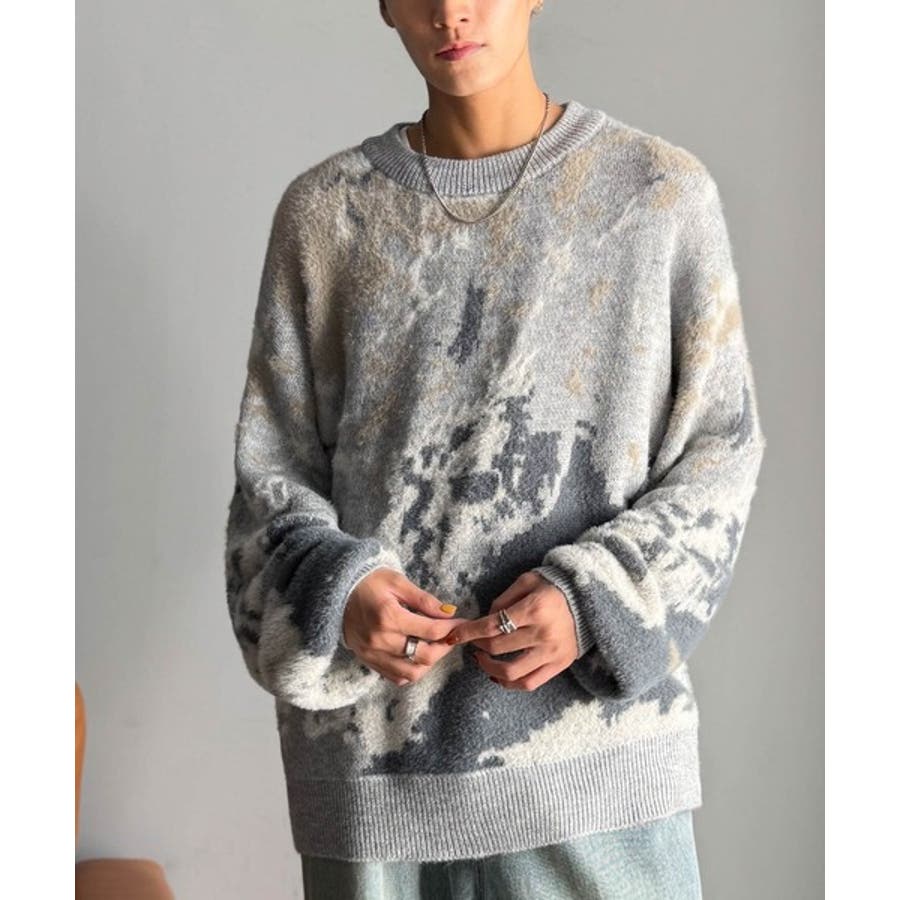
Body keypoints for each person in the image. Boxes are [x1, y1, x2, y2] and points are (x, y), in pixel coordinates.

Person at [224, 1, 767, 897]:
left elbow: (721, 455)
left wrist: (596, 599)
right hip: (377, 785)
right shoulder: (326, 216)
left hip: (592, 769)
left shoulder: (657, 196)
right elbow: (269, 478)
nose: (451, 11)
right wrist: (339, 591)